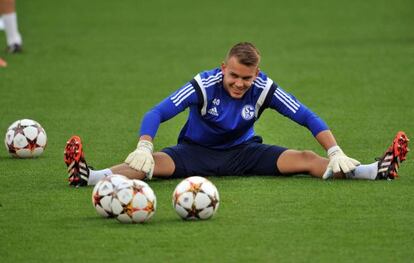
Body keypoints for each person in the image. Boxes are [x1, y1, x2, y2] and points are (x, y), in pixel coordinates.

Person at [63, 42, 409, 187]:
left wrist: (335, 150)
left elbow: (306, 116)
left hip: (245, 154)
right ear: (223, 69)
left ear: (256, 74)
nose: (240, 83)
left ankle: (371, 171)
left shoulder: (264, 88)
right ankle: (89, 175)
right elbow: (157, 111)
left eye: (247, 77)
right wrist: (143, 143)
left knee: (306, 158)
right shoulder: (203, 84)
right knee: (147, 164)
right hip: (194, 154)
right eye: (234, 76)